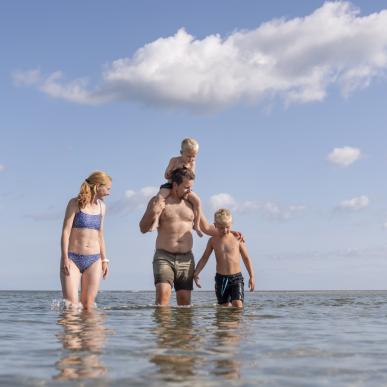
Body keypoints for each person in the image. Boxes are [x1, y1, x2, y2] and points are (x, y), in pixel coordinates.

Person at [139, 167, 218, 306]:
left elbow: (206, 228)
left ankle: (181, 329)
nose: (190, 191)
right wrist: (153, 211)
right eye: (186, 187)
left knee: (184, 302)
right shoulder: (159, 201)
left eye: (191, 187)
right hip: (164, 256)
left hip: (186, 259)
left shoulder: (192, 203)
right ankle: (163, 328)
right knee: (163, 297)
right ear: (175, 185)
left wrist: (230, 232)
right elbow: (143, 228)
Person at [60, 171, 112, 310]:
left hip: (94, 260)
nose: (109, 193)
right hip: (72, 258)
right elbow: (65, 232)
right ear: (97, 186)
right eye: (107, 188)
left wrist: (104, 260)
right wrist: (65, 257)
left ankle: (90, 332)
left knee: (88, 307)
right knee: (71, 306)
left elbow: (100, 234)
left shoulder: (102, 207)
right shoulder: (75, 203)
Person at [194, 208, 255, 307]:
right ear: (215, 225)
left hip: (236, 278)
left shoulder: (237, 239)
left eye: (227, 227)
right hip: (221, 279)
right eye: (221, 228)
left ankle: (238, 323)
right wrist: (196, 273)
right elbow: (204, 258)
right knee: (224, 308)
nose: (225, 230)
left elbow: (246, 258)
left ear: (231, 224)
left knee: (238, 305)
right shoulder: (212, 241)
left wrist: (252, 276)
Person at [152, 138, 203, 237]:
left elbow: (191, 177)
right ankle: (156, 221)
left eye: (194, 156)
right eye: (189, 156)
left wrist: (187, 170)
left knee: (197, 202)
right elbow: (166, 176)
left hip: (184, 188)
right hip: (170, 185)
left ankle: (196, 226)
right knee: (159, 199)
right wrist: (172, 171)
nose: (191, 159)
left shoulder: (192, 163)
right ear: (181, 152)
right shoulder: (174, 160)